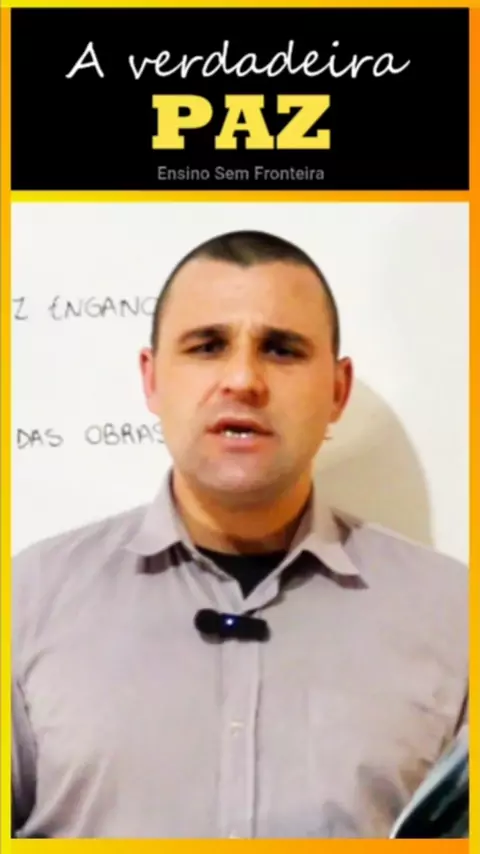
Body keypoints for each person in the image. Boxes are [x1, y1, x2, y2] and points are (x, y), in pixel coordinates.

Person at [12, 230, 468, 839]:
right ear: (151, 379)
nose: (243, 379)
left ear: (337, 390)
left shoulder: (455, 615)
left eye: (281, 349)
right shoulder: (29, 599)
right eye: (207, 346)